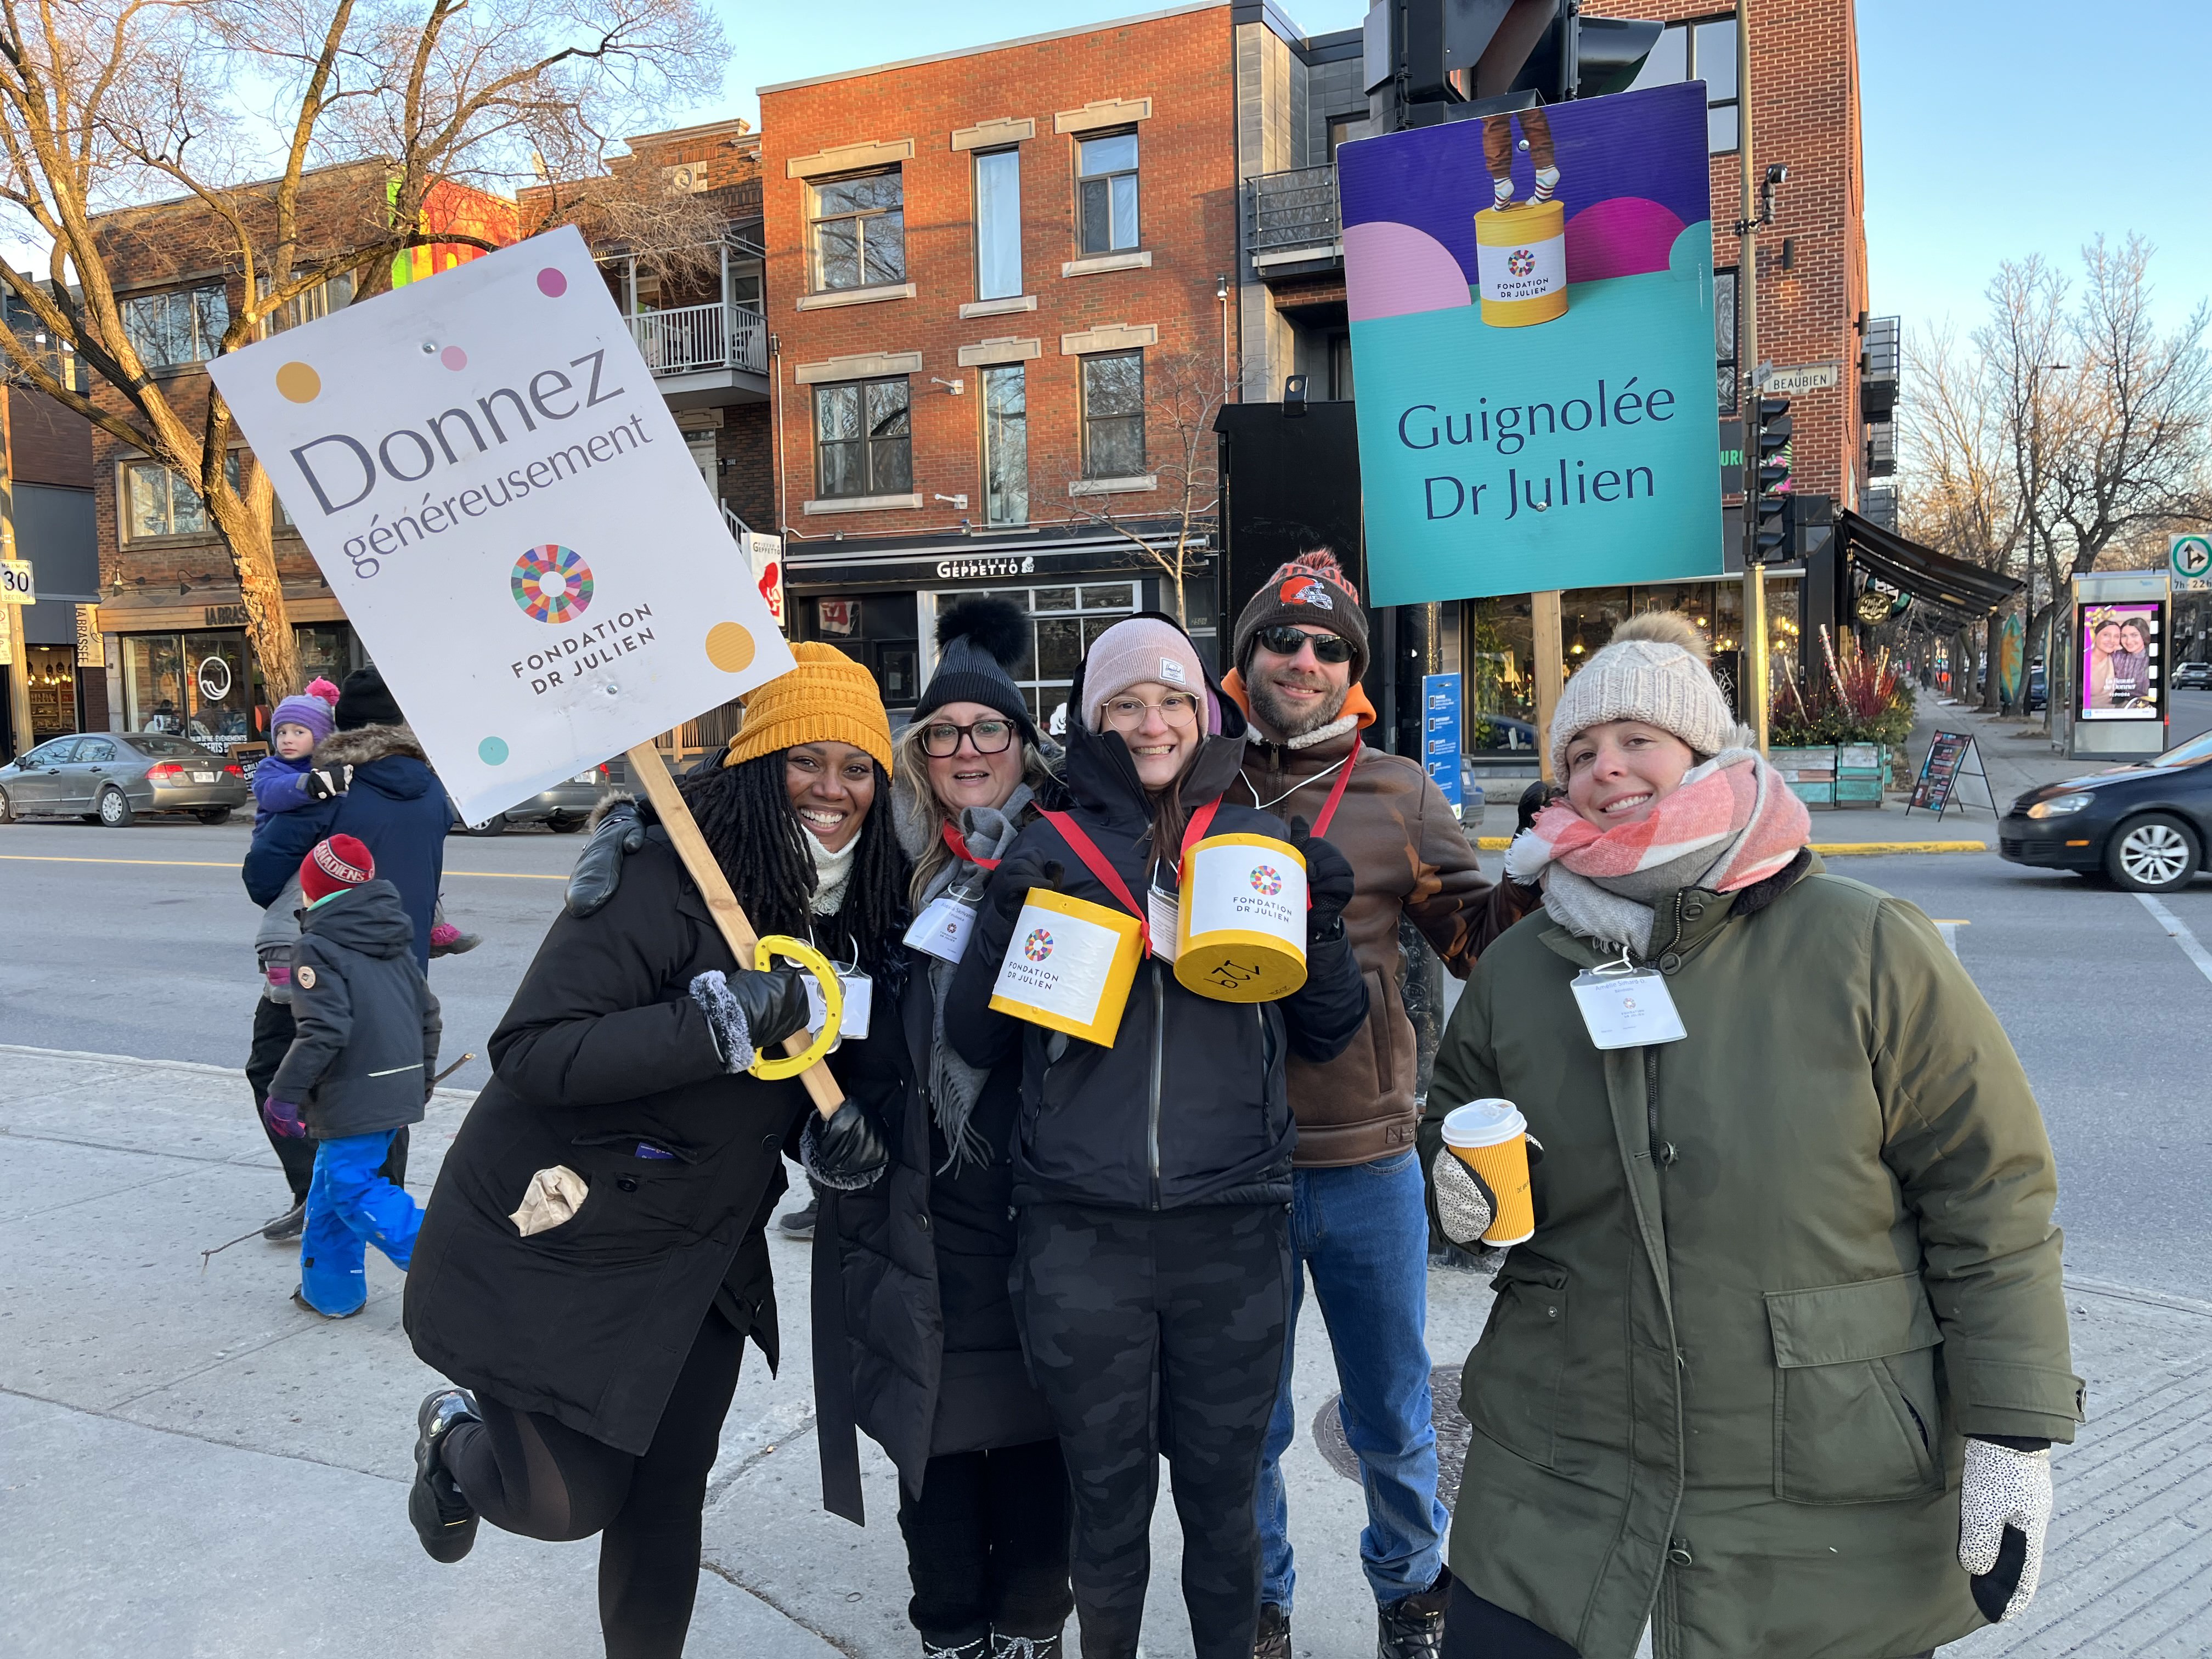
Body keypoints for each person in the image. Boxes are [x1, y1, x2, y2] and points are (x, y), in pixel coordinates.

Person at [1419, 612, 2083, 1659]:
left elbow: (1988, 1193)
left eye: (1637, 737)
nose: (1606, 767)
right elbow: (1452, 1132)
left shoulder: (1864, 943)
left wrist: (2013, 1425)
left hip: (1821, 1486)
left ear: (1705, 751)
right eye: (1580, 752)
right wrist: (1455, 1190)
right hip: (1560, 1474)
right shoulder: (1520, 968)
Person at [401, 642, 904, 1659]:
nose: (833, 789)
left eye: (858, 768)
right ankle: (453, 1441)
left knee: (665, 1499)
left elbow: (791, 1081)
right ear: (759, 763)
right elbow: (531, 1050)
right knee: (560, 1503)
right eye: (806, 760)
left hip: (701, 1252)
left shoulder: (863, 906)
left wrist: (828, 1134)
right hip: (564, 1234)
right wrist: (709, 1023)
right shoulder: (663, 875)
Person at [943, 614, 1370, 1659]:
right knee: (1106, 1501)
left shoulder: (1259, 840)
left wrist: (1318, 925)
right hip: (1078, 1236)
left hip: (1230, 1231)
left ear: (1204, 712)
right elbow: (974, 1040)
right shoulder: (1045, 840)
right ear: (1091, 719)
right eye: (1123, 703)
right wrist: (1007, 914)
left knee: (1224, 1506)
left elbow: (1327, 1031)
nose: (1150, 721)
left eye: (1170, 700)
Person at [1218, 552, 1534, 1659]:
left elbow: (1477, 947)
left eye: (1327, 647)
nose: (1302, 659)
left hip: (1364, 1158)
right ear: (1246, 656)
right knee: (1244, 1423)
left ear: (1350, 670)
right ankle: (1261, 1603)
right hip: (1226, 1164)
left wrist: (1533, 872)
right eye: (1282, 640)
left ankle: (1412, 1595)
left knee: (1394, 1413)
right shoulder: (1197, 781)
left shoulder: (1397, 788)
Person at [811, 597, 1076, 1659]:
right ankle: (950, 1630)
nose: (968, 750)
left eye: (990, 731)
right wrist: (821, 1128)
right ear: (920, 751)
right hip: (917, 1213)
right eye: (946, 733)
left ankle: (1028, 1629)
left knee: (1041, 1453)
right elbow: (825, 1033)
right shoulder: (878, 874)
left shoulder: (1067, 857)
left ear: (1023, 745)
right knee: (936, 1451)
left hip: (1044, 1213)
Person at [241, 665, 462, 1241]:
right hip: (404, 965)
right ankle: (377, 1199)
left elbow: (263, 874)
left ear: (342, 725)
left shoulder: (332, 787)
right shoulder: (433, 790)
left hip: (326, 962)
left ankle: (322, 1194)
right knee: (391, 1082)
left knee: (276, 1068)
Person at [259, 834, 442, 1318]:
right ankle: (332, 1293)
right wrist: (420, 1079)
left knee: (353, 1188)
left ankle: (452, 1262)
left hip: (354, 1092)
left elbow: (324, 1030)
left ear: (315, 891)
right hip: (395, 1085)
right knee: (328, 1189)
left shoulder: (317, 947)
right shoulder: (393, 938)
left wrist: (283, 1095)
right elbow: (428, 1014)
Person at [250, 678, 344, 830]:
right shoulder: (271, 767)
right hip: (278, 845)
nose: (287, 740)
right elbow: (270, 794)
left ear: (321, 737)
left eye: (299, 732)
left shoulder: (333, 767)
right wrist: (309, 785)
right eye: (281, 732)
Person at [2109, 617, 2152, 707]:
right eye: (2124, 636)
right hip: (2120, 706)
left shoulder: (2152, 658)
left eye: (2134, 635)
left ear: (2144, 635)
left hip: (2145, 708)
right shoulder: (2117, 657)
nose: (2128, 641)